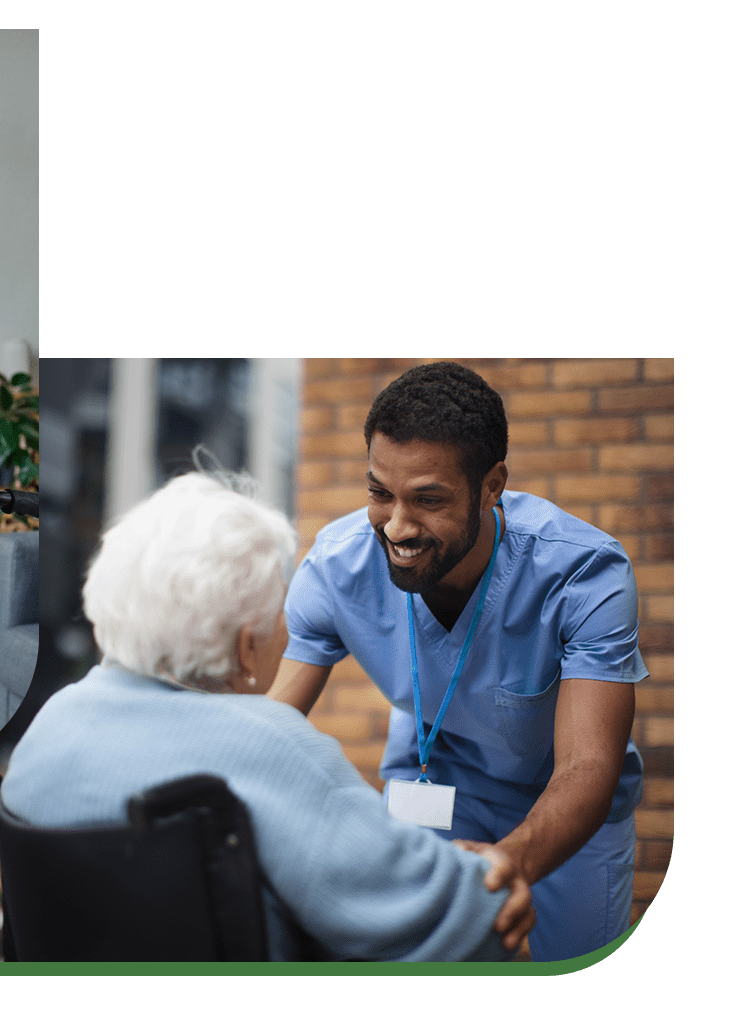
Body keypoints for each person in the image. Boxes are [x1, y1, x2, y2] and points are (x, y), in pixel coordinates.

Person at [0, 473, 533, 961]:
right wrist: (489, 877)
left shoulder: (52, 723)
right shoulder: (266, 745)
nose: (288, 628)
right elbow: (461, 919)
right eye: (282, 608)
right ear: (245, 646)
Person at [271, 362, 646, 962]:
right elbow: (270, 727)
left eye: (427, 500)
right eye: (378, 493)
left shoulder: (584, 574)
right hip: (435, 781)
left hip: (565, 801)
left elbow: (588, 764)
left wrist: (510, 860)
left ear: (492, 484)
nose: (396, 524)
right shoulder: (335, 569)